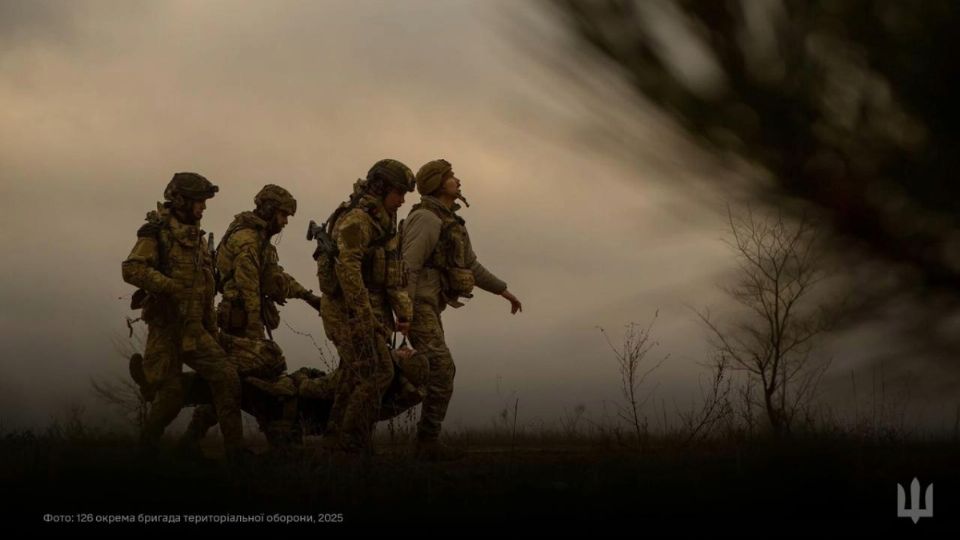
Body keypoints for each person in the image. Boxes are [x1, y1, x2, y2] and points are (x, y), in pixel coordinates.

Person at [180, 184, 322, 447]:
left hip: (244, 321)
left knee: (234, 383)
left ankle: (190, 439)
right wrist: (258, 338)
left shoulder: (260, 239)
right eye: (282, 215)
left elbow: (275, 279)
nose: (285, 222)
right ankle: (279, 440)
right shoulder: (247, 240)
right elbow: (249, 291)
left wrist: (309, 297)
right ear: (268, 210)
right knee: (261, 375)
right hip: (241, 322)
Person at [402, 159, 523, 460]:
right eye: (450, 176)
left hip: (428, 306)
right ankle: (426, 444)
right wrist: (404, 313)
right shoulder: (427, 219)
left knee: (438, 370)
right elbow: (408, 267)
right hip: (417, 307)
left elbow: (470, 264)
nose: (457, 180)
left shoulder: (449, 221)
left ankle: (424, 442)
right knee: (442, 369)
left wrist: (503, 291)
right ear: (436, 184)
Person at [121, 172, 244, 459]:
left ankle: (236, 454)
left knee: (226, 377)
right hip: (166, 328)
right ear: (180, 200)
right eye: (199, 201)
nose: (203, 207)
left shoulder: (197, 237)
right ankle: (145, 452)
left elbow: (205, 287)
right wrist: (169, 287)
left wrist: (210, 328)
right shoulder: (156, 232)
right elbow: (132, 269)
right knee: (170, 397)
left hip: (194, 329)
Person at [315, 159, 415, 453]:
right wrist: (364, 315)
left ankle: (335, 440)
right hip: (348, 311)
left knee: (354, 375)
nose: (402, 200)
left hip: (365, 311)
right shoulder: (359, 219)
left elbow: (391, 274)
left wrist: (403, 313)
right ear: (381, 188)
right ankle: (352, 443)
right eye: (398, 192)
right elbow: (348, 269)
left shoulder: (382, 221)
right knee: (376, 372)